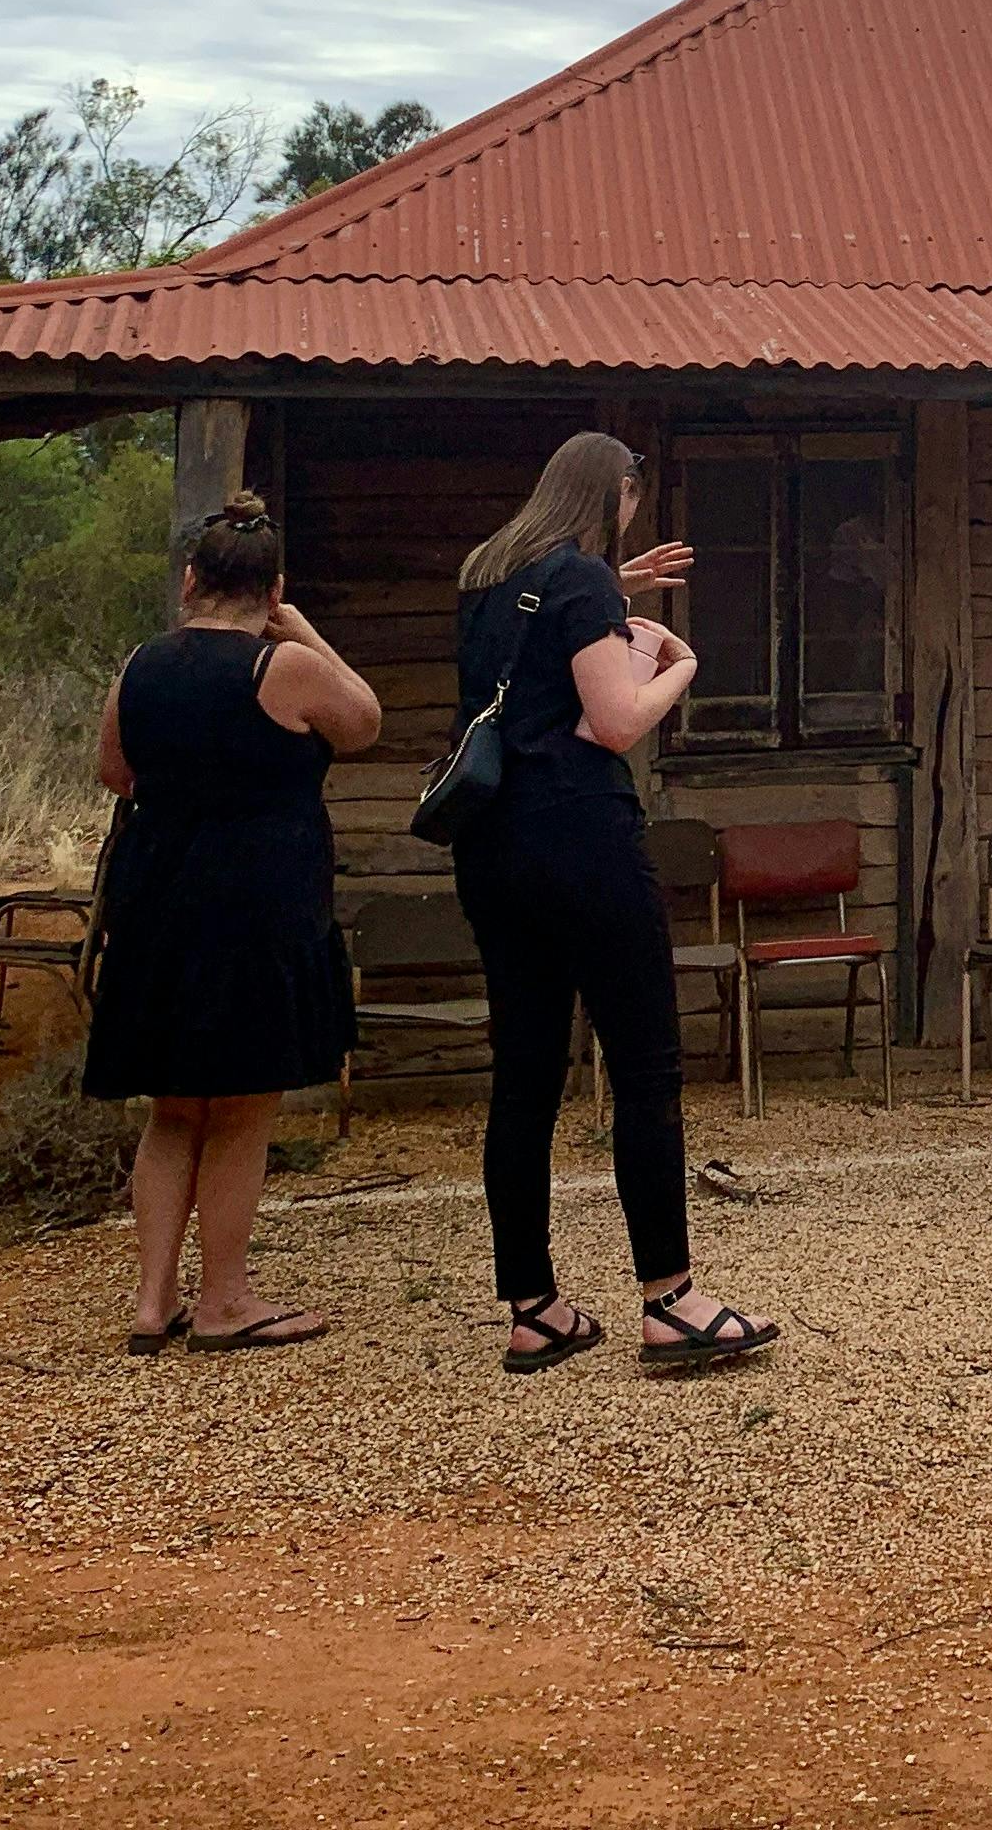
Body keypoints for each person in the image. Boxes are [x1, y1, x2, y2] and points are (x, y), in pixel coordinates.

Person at [451, 432, 778, 1375]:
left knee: (524, 1077)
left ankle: (534, 1310)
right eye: (634, 496)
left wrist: (611, 588)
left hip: (494, 849)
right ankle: (670, 1301)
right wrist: (681, 664)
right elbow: (615, 720)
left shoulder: (487, 574)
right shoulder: (582, 582)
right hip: (583, 841)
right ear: (618, 492)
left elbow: (537, 654)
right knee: (644, 1066)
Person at [85, 491, 383, 1355]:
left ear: (190, 581)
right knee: (243, 1110)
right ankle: (222, 1299)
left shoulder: (140, 665)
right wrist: (306, 633)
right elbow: (363, 722)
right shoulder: (281, 667)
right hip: (257, 906)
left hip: (157, 902)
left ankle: (152, 1300)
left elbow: (115, 771)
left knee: (174, 1109)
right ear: (273, 590)